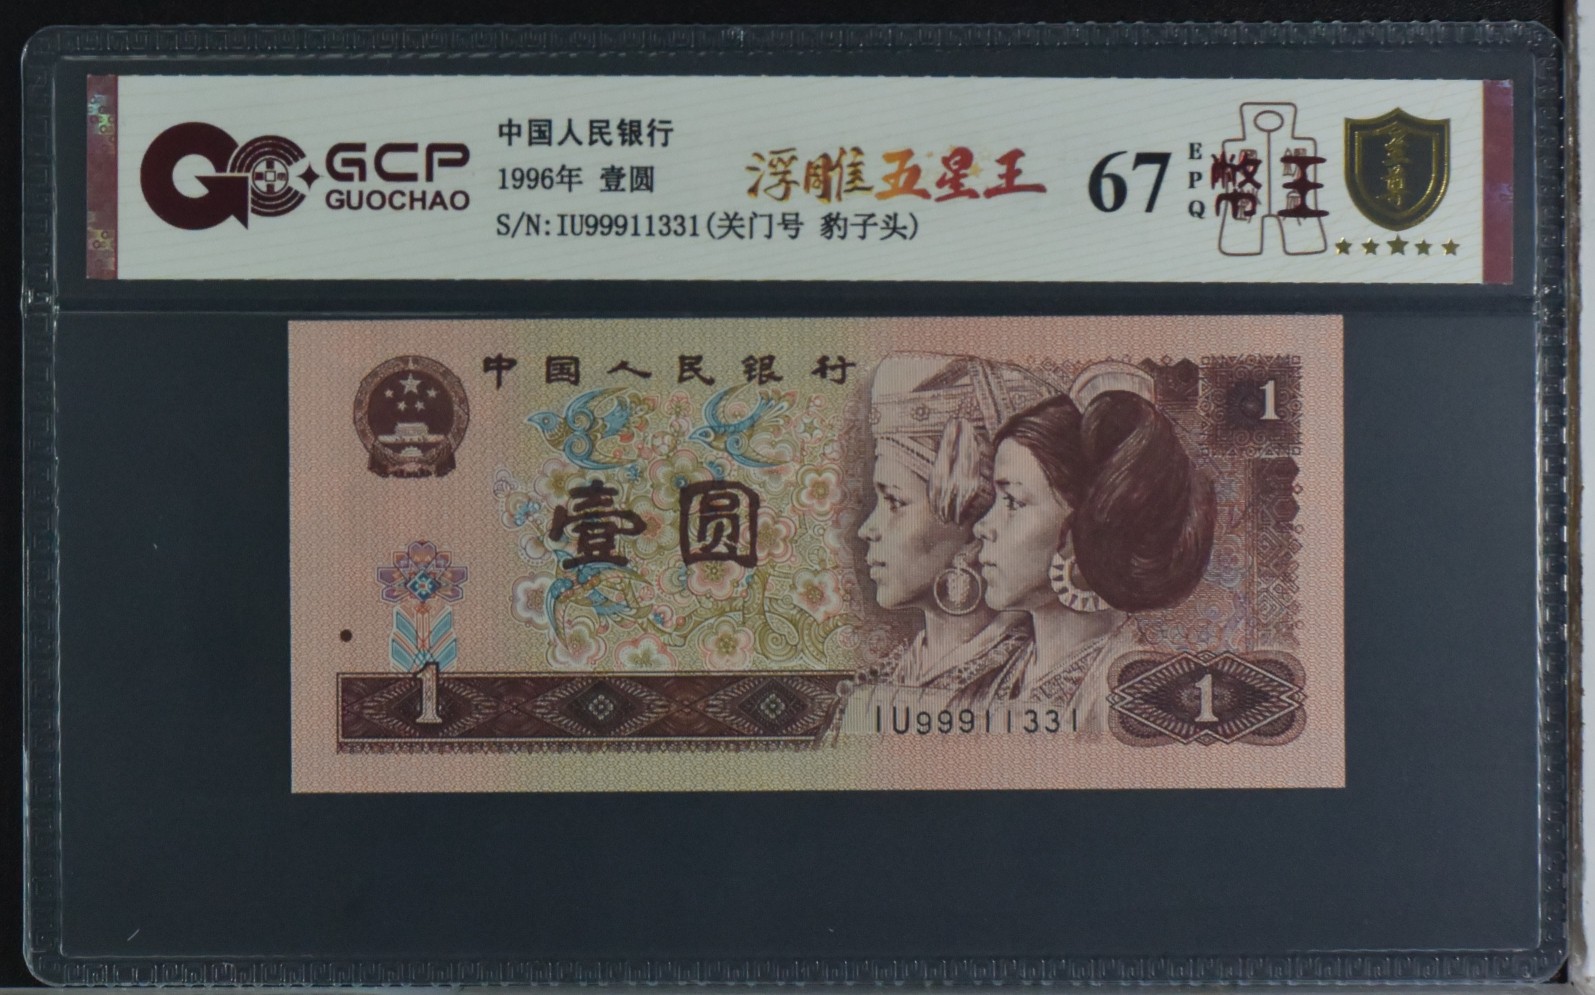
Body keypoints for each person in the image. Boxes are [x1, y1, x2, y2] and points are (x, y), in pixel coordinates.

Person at [972, 361, 1216, 731]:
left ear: (1085, 526)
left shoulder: (1141, 699)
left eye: (1013, 502)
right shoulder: (990, 682)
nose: (982, 527)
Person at [855, 353, 1057, 703]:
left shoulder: (1027, 685)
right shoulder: (892, 676)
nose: (867, 530)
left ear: (975, 525)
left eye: (895, 502)